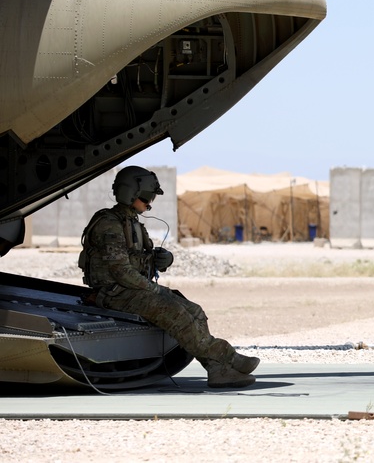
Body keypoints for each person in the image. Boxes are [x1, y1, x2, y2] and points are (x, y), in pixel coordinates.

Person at [78, 166, 258, 388]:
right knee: (176, 314)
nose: (149, 203)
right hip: (113, 293)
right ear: (130, 193)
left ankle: (216, 369)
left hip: (131, 290)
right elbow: (121, 271)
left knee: (195, 311)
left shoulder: (132, 223)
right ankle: (228, 357)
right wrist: (154, 290)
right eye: (146, 197)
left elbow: (138, 260)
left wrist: (163, 259)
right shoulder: (109, 224)